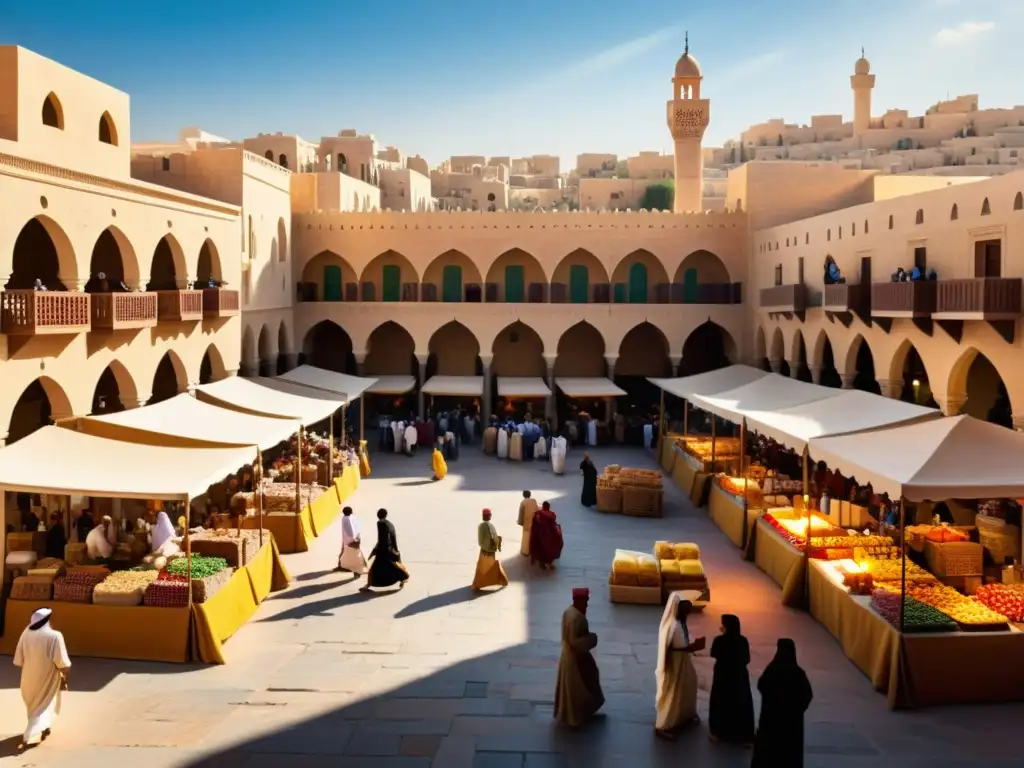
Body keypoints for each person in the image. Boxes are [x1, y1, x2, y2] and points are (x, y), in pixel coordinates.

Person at [14, 608, 70, 750]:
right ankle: (32, 734)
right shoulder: (55, 636)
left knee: (34, 708)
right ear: (46, 621)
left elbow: (18, 660)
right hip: (47, 678)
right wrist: (64, 676)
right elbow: (62, 662)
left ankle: (42, 727)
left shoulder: (25, 634)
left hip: (28, 680)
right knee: (45, 705)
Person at [751, 638, 813, 768]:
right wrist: (797, 710)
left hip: (771, 720)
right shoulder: (798, 673)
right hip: (792, 724)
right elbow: (807, 695)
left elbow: (761, 685)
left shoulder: (772, 669)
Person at [654, 594, 704, 739]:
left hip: (683, 660)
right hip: (676, 663)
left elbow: (686, 638)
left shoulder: (680, 624)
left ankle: (684, 715)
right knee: (674, 692)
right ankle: (665, 723)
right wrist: (689, 647)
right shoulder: (673, 626)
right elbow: (674, 646)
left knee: (688, 686)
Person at [554, 587, 605, 727]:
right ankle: (577, 714)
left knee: (575, 685)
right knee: (581, 684)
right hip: (575, 658)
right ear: (579, 601)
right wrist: (592, 639)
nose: (587, 604)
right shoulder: (578, 618)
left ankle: (574, 711)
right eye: (585, 601)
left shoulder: (568, 612)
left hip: (567, 654)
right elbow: (576, 642)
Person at [708, 614, 755, 744]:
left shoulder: (719, 640)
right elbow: (747, 659)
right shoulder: (743, 640)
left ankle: (719, 732)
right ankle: (744, 736)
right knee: (741, 703)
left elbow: (714, 653)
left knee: (721, 702)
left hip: (722, 676)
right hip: (739, 676)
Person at [361, 509, 409, 591]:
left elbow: (382, 539)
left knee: (374, 569)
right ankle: (403, 578)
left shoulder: (380, 523)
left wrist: (376, 550)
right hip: (390, 550)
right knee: (392, 568)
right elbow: (392, 537)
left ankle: (368, 585)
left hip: (383, 551)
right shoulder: (389, 523)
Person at [471, 509, 509, 591]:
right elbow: (492, 538)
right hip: (490, 550)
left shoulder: (482, 526)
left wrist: (486, 546)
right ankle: (500, 580)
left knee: (482, 568)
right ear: (487, 516)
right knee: (491, 567)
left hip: (485, 550)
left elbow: (481, 541)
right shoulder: (489, 526)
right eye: (490, 514)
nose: (491, 515)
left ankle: (479, 583)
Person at [529, 501, 563, 570]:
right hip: (550, 536)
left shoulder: (538, 514)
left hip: (540, 535)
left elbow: (535, 524)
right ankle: (549, 563)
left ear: (543, 506)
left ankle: (542, 563)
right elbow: (553, 525)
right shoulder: (552, 514)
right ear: (549, 507)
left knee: (540, 549)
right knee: (551, 548)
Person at [338, 506, 367, 574]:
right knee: (356, 555)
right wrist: (355, 538)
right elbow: (351, 530)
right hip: (351, 540)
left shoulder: (345, 518)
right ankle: (358, 568)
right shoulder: (349, 518)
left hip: (347, 540)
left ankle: (342, 566)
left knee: (346, 553)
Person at [518, 490, 538, 557]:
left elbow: (521, 513)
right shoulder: (534, 501)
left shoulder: (523, 502)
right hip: (534, 522)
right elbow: (537, 509)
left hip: (526, 522)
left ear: (523, 495)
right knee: (532, 536)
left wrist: (520, 522)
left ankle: (525, 551)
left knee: (526, 537)